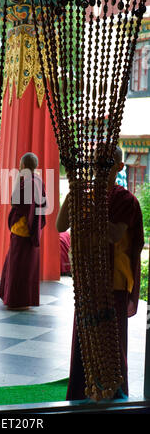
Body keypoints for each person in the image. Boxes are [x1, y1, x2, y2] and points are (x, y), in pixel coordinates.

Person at [56, 146, 144, 400]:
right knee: (83, 338)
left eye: (106, 163)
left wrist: (88, 207)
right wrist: (73, 194)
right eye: (97, 162)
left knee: (112, 342)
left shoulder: (125, 199)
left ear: (119, 168)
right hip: (87, 278)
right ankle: (80, 392)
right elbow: (61, 225)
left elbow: (115, 234)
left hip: (113, 281)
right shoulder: (83, 194)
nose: (99, 168)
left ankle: (115, 395)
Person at [0, 153, 47, 310]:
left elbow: (15, 202)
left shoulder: (27, 182)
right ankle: (25, 299)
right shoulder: (38, 181)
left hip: (22, 228)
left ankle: (16, 300)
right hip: (32, 228)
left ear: (24, 166)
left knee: (18, 265)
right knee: (26, 265)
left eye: (20, 164)